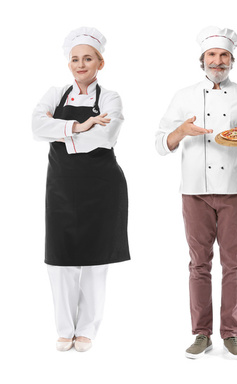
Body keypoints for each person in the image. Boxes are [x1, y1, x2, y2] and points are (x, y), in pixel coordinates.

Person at [156, 26, 237, 360]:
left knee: (234, 265)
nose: (217, 61)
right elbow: (161, 144)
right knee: (198, 265)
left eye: (223, 56)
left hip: (235, 190)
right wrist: (181, 131)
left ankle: (231, 333)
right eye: (212, 56)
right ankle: (201, 334)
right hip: (194, 192)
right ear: (202, 60)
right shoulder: (183, 96)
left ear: (232, 60)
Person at [32, 27, 130, 352]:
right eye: (75, 59)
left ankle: (86, 329)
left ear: (100, 63)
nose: (80, 64)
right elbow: (36, 126)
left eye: (88, 58)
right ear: (69, 63)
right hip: (60, 185)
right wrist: (81, 125)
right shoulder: (54, 93)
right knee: (59, 258)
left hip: (102, 187)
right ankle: (64, 328)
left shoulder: (111, 98)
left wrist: (59, 131)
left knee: (94, 260)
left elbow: (106, 138)